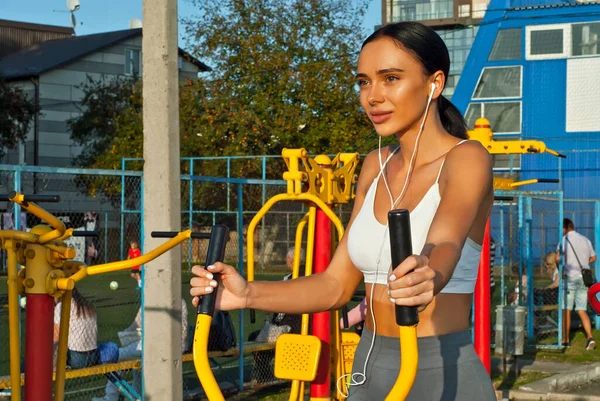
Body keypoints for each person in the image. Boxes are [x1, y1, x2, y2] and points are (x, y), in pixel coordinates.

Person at [190, 21, 495, 401]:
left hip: (439, 370)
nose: (372, 96)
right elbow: (335, 286)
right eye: (364, 82)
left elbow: (446, 240)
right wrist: (246, 294)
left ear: (434, 83)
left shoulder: (467, 157)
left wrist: (430, 273)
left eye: (391, 78)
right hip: (369, 366)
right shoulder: (374, 165)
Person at [92, 299, 188, 401]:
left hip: (164, 345)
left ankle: (110, 397)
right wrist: (126, 335)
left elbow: (182, 332)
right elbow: (138, 324)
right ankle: (133, 395)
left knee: (117, 355)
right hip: (165, 344)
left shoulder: (166, 299)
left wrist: (126, 335)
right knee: (137, 364)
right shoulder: (161, 297)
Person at [247, 247, 305, 382]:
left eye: (288, 260)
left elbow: (281, 307)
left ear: (291, 261)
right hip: (302, 326)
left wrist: (269, 312)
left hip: (290, 328)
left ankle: (265, 374)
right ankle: (267, 372)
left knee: (255, 337)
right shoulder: (311, 276)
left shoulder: (290, 279)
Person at [556, 218, 596, 350]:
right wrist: (585, 263)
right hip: (584, 279)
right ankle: (590, 337)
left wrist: (560, 265)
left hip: (570, 278)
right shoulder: (585, 240)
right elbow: (594, 257)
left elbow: (557, 258)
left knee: (566, 309)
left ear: (566, 228)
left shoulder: (563, 240)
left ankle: (566, 339)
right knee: (581, 309)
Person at [53, 288, 99, 369]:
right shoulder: (87, 305)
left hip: (76, 359)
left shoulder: (61, 306)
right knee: (110, 346)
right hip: (93, 357)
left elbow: (55, 337)